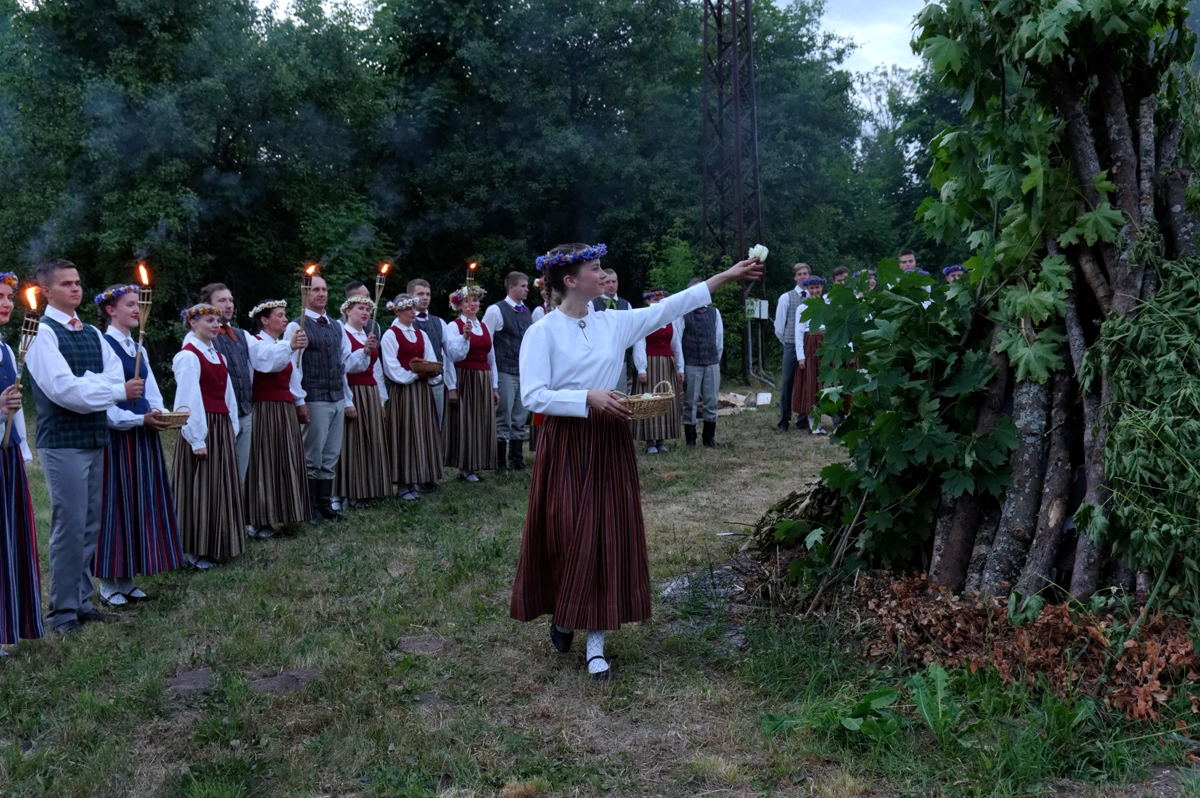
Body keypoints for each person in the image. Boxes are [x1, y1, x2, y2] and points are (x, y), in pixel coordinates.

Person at [510, 242, 762, 680]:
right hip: (566, 440)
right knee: (567, 530)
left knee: (606, 534)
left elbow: (670, 307)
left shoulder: (613, 321)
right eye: (595, 268)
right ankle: (565, 614)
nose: (603, 274)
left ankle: (596, 644)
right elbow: (533, 395)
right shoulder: (543, 332)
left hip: (609, 439)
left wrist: (725, 276)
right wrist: (587, 397)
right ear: (570, 280)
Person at [26, 258, 139, 635]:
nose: (75, 288)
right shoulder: (41, 335)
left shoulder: (92, 331)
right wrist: (110, 390)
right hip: (62, 442)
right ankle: (61, 613)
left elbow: (109, 376)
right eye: (66, 284)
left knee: (90, 524)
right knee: (70, 525)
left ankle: (82, 602)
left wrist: (96, 386)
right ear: (46, 291)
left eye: (77, 282)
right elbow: (64, 391)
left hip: (93, 437)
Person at [93, 284, 182, 605]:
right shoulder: (102, 344)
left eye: (138, 304)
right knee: (115, 504)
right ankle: (108, 582)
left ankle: (127, 579)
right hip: (117, 438)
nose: (136, 309)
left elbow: (151, 390)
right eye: (129, 304)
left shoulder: (137, 346)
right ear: (110, 310)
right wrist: (137, 420)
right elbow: (104, 403)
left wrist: (159, 413)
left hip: (143, 434)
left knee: (139, 501)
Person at [284, 275, 375, 523]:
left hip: (336, 397)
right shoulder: (297, 326)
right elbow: (293, 368)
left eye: (324, 289)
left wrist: (364, 352)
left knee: (330, 456)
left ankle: (324, 505)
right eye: (315, 289)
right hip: (314, 397)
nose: (321, 293)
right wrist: (299, 401)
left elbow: (345, 364)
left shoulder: (336, 326)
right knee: (312, 456)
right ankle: (309, 508)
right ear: (306, 294)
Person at [200, 283, 298, 485]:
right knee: (217, 473)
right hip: (216, 414)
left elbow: (265, 357)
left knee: (239, 474)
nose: (228, 304)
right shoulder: (201, 337)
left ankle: (236, 506)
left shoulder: (241, 335)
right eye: (221, 300)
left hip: (244, 411)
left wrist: (289, 345)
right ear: (207, 305)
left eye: (230, 300)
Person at [173, 304, 244, 568]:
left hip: (220, 425)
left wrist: (231, 426)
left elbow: (228, 396)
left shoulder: (218, 356)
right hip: (203, 425)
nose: (216, 325)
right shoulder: (188, 356)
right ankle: (195, 549)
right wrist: (196, 438)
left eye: (217, 320)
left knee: (219, 484)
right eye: (209, 321)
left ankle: (217, 543)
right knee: (201, 485)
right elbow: (188, 399)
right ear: (193, 324)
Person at [0, 272, 43, 649]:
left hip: (7, 455)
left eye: (9, 297)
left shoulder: (7, 349)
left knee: (9, 540)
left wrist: (23, 448)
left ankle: (6, 624)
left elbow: (14, 410)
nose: (6, 303)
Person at [244, 300, 310, 538]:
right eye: (279, 315)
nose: (285, 319)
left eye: (285, 315)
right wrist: (290, 346)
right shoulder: (256, 343)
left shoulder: (282, 344)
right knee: (264, 460)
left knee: (286, 458)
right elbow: (265, 366)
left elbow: (293, 376)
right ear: (264, 320)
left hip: (284, 408)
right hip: (264, 408)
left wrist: (299, 402)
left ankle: (286, 512)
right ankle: (258, 519)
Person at [381, 294, 443, 500]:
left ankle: (420, 478)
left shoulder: (420, 334)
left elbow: (431, 358)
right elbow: (391, 367)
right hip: (404, 391)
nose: (413, 312)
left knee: (422, 431)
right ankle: (403, 484)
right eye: (408, 309)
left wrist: (432, 372)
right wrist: (415, 375)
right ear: (397, 311)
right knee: (405, 433)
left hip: (422, 391)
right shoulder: (390, 335)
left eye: (413, 308)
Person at [333, 296, 392, 508]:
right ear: (348, 311)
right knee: (351, 441)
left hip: (369, 391)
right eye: (360, 308)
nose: (365, 312)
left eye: (367, 309)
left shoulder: (368, 335)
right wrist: (347, 401)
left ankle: (368, 489)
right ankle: (344, 492)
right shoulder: (342, 333)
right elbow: (343, 368)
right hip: (352, 390)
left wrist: (381, 399)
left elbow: (376, 369)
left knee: (370, 439)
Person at [443, 285, 500, 481]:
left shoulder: (484, 327)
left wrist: (494, 386)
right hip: (465, 377)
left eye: (475, 300)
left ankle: (477, 462)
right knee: (466, 420)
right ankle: (465, 466)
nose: (472, 304)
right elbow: (450, 357)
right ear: (459, 305)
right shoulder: (454, 326)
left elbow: (491, 358)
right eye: (467, 301)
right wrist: (452, 387)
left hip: (483, 378)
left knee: (481, 420)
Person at [482, 271, 532, 472]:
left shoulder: (526, 311)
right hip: (504, 369)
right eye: (523, 286)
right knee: (503, 415)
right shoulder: (496, 310)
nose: (527, 289)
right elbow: (486, 342)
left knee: (520, 416)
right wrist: (491, 376)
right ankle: (499, 462)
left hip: (523, 370)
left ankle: (516, 458)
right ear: (511, 287)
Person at [631, 289, 684, 454]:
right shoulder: (644, 318)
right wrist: (641, 368)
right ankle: (649, 441)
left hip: (667, 364)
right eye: (654, 299)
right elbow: (639, 344)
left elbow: (676, 344)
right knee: (650, 400)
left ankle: (661, 441)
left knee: (664, 399)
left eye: (661, 299)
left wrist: (680, 367)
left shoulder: (671, 319)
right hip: (650, 364)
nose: (658, 302)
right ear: (648, 301)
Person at [679, 277, 724, 448]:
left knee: (711, 400)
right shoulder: (682, 314)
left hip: (711, 362)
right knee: (690, 401)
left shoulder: (714, 312)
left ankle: (708, 437)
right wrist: (681, 365)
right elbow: (677, 340)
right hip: (691, 362)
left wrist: (715, 359)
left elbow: (719, 338)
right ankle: (690, 439)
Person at [773, 262, 811, 432]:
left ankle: (803, 418)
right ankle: (784, 419)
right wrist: (788, 342)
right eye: (799, 274)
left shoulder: (814, 297)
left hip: (809, 345)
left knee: (806, 381)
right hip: (790, 344)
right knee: (788, 381)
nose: (803, 277)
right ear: (795, 277)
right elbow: (779, 326)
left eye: (805, 274)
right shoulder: (786, 297)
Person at [793, 277, 830, 434]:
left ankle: (828, 418)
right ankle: (814, 424)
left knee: (826, 382)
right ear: (807, 289)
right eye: (812, 288)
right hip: (811, 345)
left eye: (817, 287)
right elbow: (799, 332)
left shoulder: (827, 306)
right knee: (811, 382)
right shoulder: (802, 308)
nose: (815, 291)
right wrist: (801, 356)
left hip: (826, 345)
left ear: (822, 288)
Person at [409, 278, 448, 425]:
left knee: (437, 424)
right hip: (413, 383)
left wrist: (464, 338)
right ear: (410, 296)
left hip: (437, 383)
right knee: (417, 424)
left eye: (428, 294)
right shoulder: (401, 324)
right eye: (420, 294)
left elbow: (453, 353)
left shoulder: (440, 322)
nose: (425, 297)